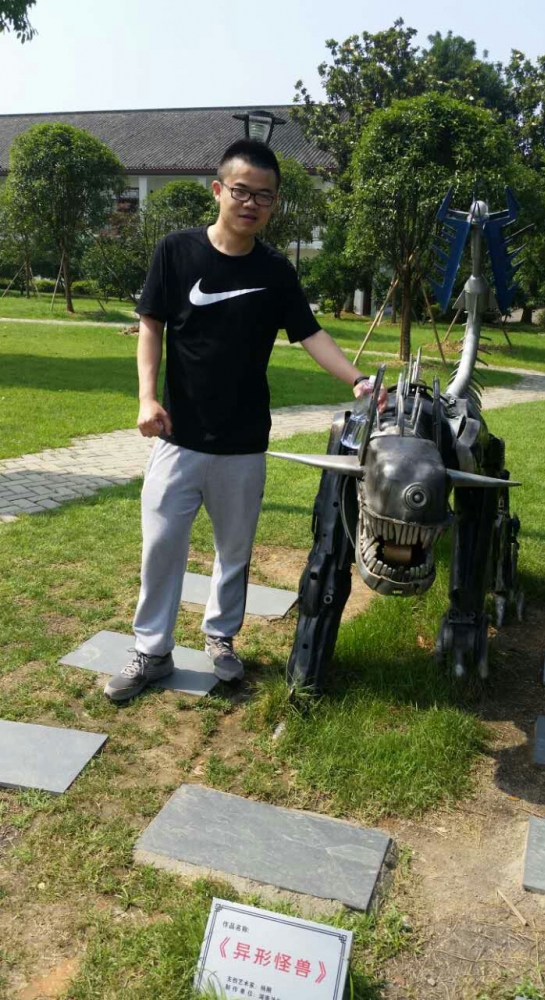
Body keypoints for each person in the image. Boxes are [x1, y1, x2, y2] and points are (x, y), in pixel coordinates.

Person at [104, 138, 378, 703]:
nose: (251, 203)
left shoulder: (275, 271)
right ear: (218, 190)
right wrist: (147, 398)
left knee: (234, 552)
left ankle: (221, 638)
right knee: (161, 548)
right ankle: (152, 651)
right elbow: (151, 324)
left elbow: (310, 334)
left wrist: (356, 379)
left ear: (274, 203)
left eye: (264, 196)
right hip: (178, 437)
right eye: (242, 191)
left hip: (244, 442)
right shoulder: (176, 252)